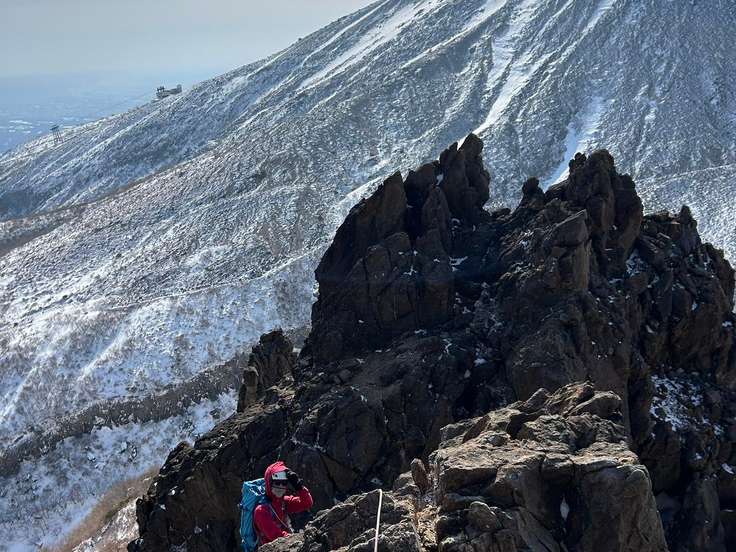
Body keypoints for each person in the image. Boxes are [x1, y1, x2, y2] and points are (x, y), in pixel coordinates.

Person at [253, 461, 314, 545]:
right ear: (269, 483)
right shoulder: (261, 511)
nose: (280, 486)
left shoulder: (283, 502)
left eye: (284, 483)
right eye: (277, 483)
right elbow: (275, 536)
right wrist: (295, 539)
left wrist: (299, 487)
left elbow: (307, 503)